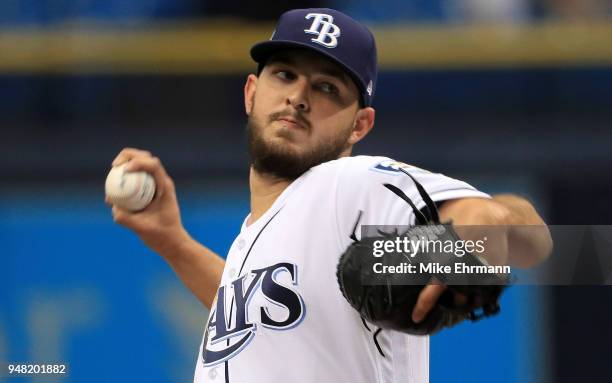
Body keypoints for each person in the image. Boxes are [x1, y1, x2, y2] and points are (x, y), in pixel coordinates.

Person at [108, 8, 552, 383]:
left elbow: (524, 232)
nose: (298, 96)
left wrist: (483, 226)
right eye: (284, 74)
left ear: (359, 125)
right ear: (251, 92)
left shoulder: (349, 184)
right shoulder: (262, 231)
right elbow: (269, 318)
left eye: (327, 88)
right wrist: (174, 242)